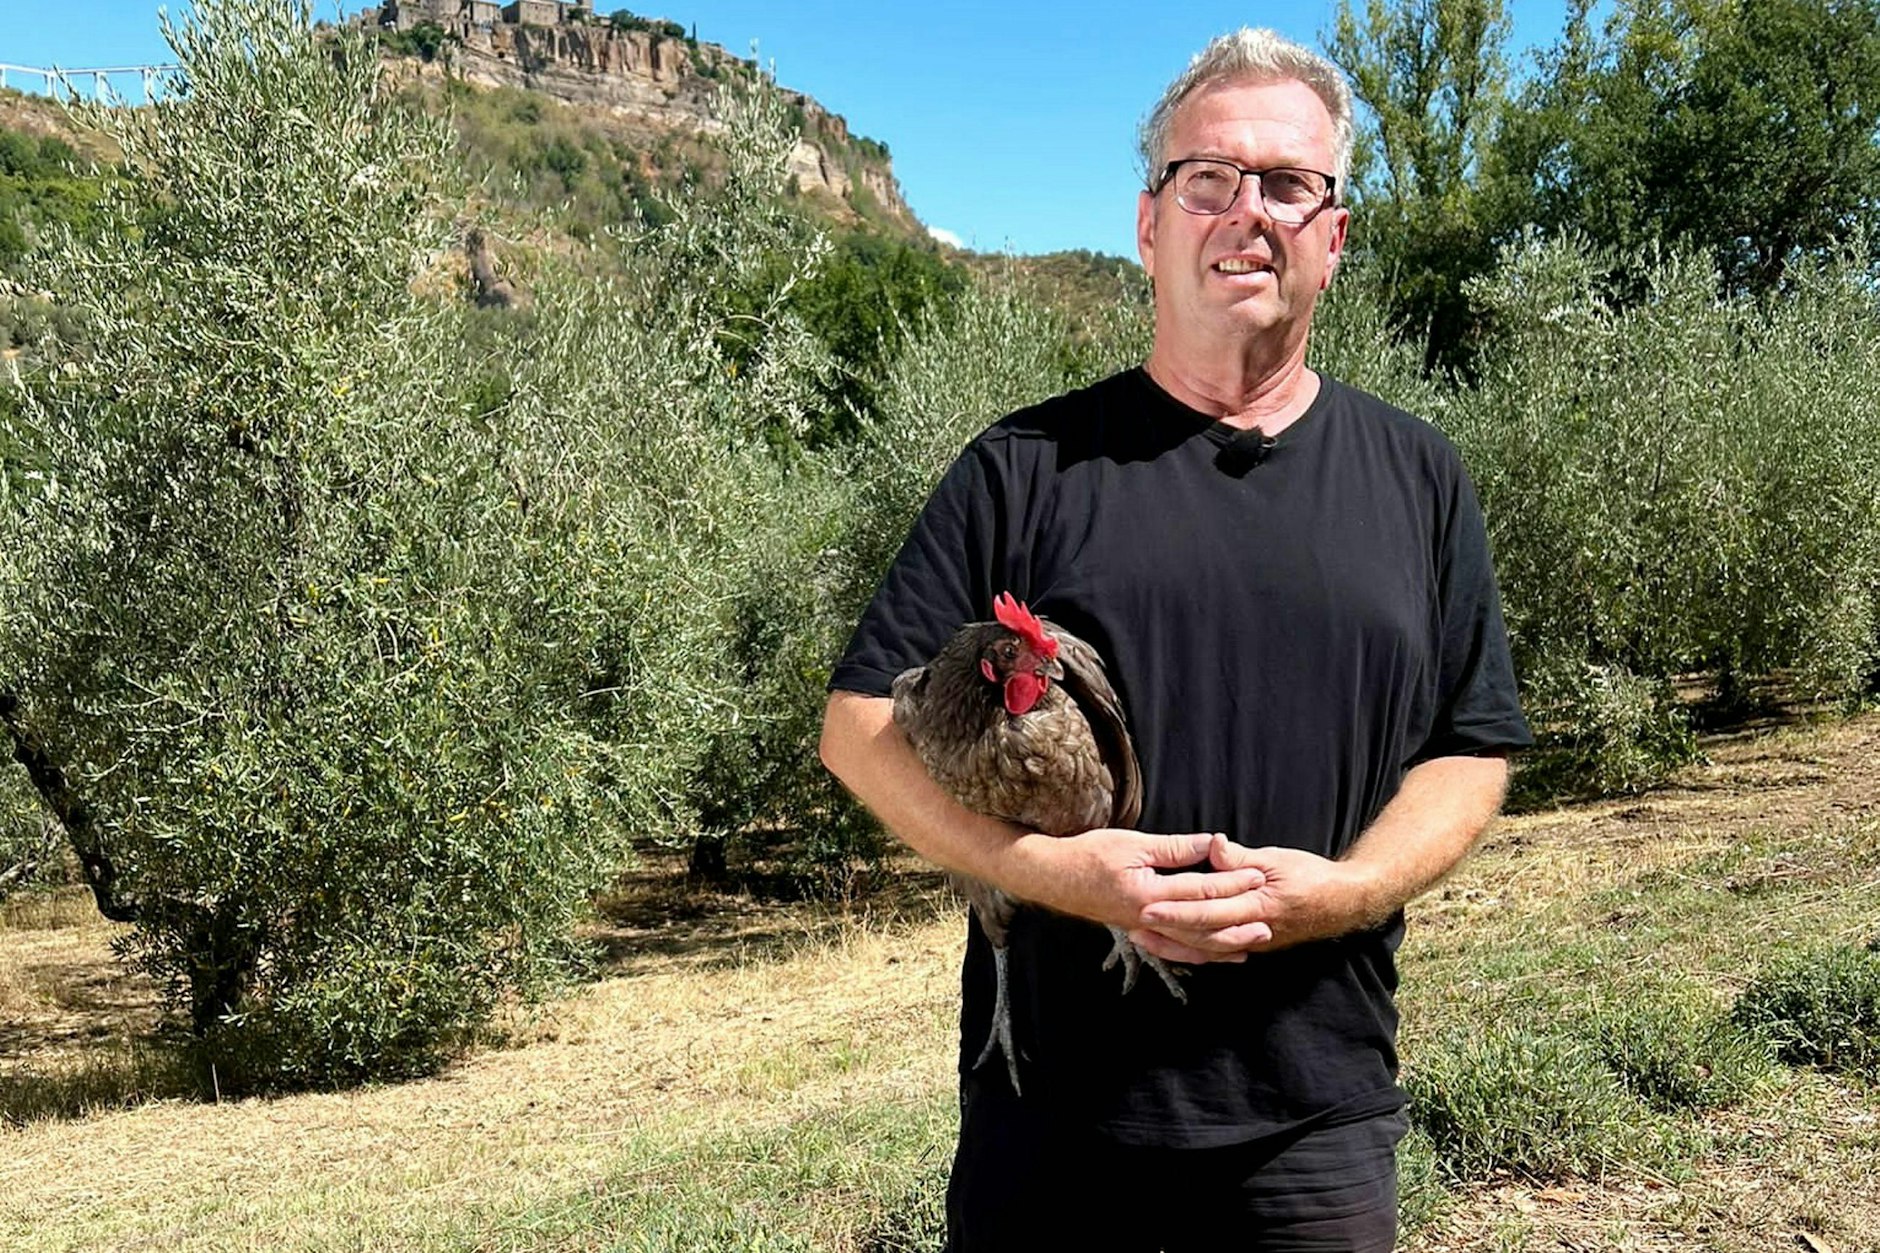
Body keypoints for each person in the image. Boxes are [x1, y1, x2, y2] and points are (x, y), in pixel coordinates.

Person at [818, 27, 1531, 1253]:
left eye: (1288, 184)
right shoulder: (1022, 469)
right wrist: (1049, 874)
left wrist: (1347, 893)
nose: (1245, 212)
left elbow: (1469, 745)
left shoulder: (1418, 476)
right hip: (1051, 1121)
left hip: (1314, 1113)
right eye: (1208, 177)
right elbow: (857, 729)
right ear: (1148, 225)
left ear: (1334, 237)